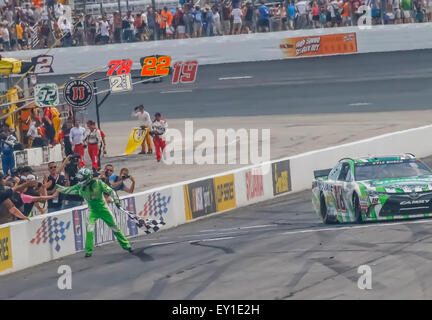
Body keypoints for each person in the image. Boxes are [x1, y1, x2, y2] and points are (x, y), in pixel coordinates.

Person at [56, 168, 133, 257]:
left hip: (104, 209)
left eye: (81, 178)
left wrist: (116, 201)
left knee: (115, 227)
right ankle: (88, 251)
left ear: (87, 178)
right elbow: (67, 190)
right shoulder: (80, 187)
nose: (79, 180)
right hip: (92, 210)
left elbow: (111, 191)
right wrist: (57, 187)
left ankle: (127, 245)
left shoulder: (98, 183)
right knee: (89, 229)